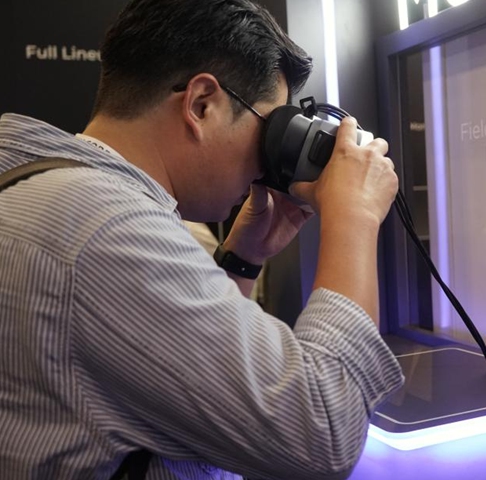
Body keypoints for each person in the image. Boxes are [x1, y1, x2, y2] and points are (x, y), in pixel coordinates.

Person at [0, 0, 403, 479]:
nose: (264, 163)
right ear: (201, 104)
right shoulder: (105, 230)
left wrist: (243, 258)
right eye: (268, 129)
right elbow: (322, 432)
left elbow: (172, 372)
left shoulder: (34, 178)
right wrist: (354, 217)